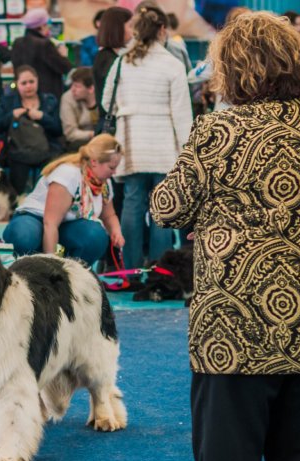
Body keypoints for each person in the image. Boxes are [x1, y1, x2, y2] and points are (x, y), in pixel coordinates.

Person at [150, 12, 300, 461]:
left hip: (234, 331)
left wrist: (213, 212)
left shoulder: (216, 131)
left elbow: (167, 207)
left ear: (232, 69)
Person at [102, 5, 192, 270]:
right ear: (162, 30)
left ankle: (130, 269)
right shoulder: (172, 65)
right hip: (163, 147)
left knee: (132, 203)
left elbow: (107, 102)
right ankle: (159, 270)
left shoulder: (122, 62)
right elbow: (182, 114)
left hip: (132, 142)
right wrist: (187, 152)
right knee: (162, 208)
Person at [3, 133, 123, 266]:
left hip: (64, 227)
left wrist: (116, 232)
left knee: (95, 235)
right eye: (111, 167)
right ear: (94, 162)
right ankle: (33, 269)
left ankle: (73, 271)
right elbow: (50, 224)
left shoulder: (104, 183)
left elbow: (109, 215)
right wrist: (52, 266)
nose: (115, 172)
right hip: (36, 219)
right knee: (24, 236)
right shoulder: (68, 174)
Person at [0, 65, 62, 195]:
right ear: (17, 84)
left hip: (47, 151)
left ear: (37, 81)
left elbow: (58, 130)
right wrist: (11, 116)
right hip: (17, 151)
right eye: (24, 83)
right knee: (17, 167)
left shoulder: (49, 101)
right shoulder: (7, 102)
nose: (28, 86)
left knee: (51, 171)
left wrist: (43, 117)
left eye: (31, 82)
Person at [10, 8, 73, 98]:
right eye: (48, 23)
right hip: (46, 97)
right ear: (41, 26)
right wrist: (63, 56)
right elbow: (65, 68)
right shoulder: (45, 44)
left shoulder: (17, 43)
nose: (49, 27)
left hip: (22, 95)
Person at [92, 6, 133, 133]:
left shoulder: (112, 55)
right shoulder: (107, 59)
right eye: (130, 26)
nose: (133, 31)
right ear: (118, 29)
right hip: (113, 125)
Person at [60, 67, 98, 151]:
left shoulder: (101, 96)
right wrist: (93, 134)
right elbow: (70, 133)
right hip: (79, 142)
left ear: (91, 89)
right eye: (72, 85)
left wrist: (92, 104)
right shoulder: (67, 98)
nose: (72, 89)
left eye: (77, 86)